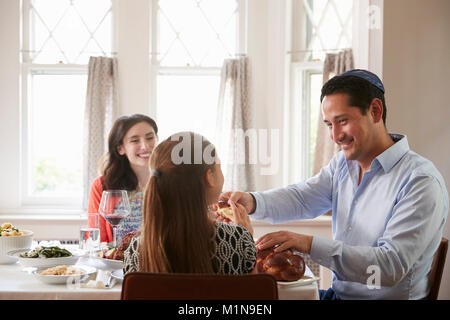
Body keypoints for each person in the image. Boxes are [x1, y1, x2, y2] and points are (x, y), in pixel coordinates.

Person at [220, 69, 449, 300]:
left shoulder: (420, 182)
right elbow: (302, 198)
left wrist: (308, 244)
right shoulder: (343, 164)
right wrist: (252, 201)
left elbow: (388, 268)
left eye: (342, 121)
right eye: (329, 124)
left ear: (375, 111)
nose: (335, 135)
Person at [123, 132, 256, 275]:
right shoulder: (237, 240)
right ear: (209, 176)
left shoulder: (136, 250)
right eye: (219, 166)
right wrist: (247, 238)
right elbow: (256, 292)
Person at [88, 114, 159, 244]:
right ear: (120, 148)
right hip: (116, 263)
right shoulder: (102, 185)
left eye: (150, 138)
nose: (145, 146)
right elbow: (96, 240)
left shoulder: (170, 182)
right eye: (135, 140)